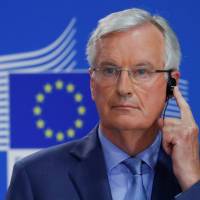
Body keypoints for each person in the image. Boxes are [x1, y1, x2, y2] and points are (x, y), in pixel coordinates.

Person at [7, 8, 200, 200]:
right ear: (92, 83)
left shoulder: (194, 175)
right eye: (109, 70)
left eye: (141, 71)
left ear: (171, 84)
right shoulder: (35, 178)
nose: (124, 88)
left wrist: (193, 183)